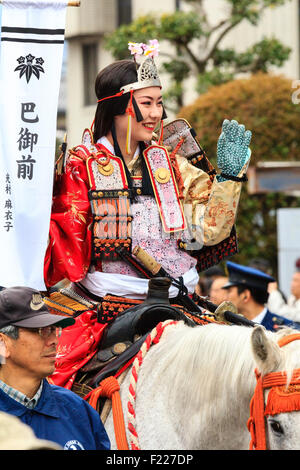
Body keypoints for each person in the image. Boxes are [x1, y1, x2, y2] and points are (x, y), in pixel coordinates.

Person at [43, 40, 252, 387]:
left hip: (179, 303)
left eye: (159, 103)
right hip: (104, 309)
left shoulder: (170, 163)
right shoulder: (82, 166)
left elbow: (208, 231)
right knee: (51, 383)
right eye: (147, 103)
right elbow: (65, 247)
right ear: (118, 106)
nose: (157, 114)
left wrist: (228, 180)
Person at [0, 286, 110, 451]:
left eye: (53, 330)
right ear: (3, 343)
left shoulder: (77, 410)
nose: (54, 341)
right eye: (40, 331)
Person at [222, 261, 300, 331]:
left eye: (229, 291)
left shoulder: (286, 330)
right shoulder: (232, 330)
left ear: (245, 295)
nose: (225, 298)